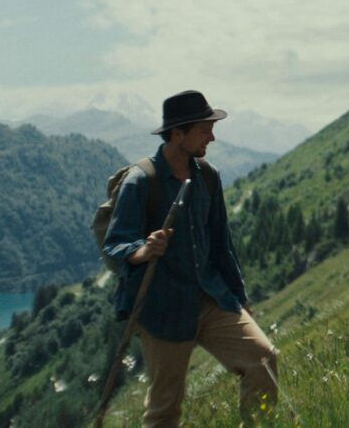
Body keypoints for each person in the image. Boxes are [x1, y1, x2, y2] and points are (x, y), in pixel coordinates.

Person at [103, 90, 276, 427]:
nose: (211, 136)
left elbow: (220, 243)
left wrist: (239, 297)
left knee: (263, 360)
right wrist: (143, 250)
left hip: (210, 297)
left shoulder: (207, 177)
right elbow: (115, 245)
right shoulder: (142, 182)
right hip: (161, 307)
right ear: (178, 133)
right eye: (204, 129)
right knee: (165, 407)